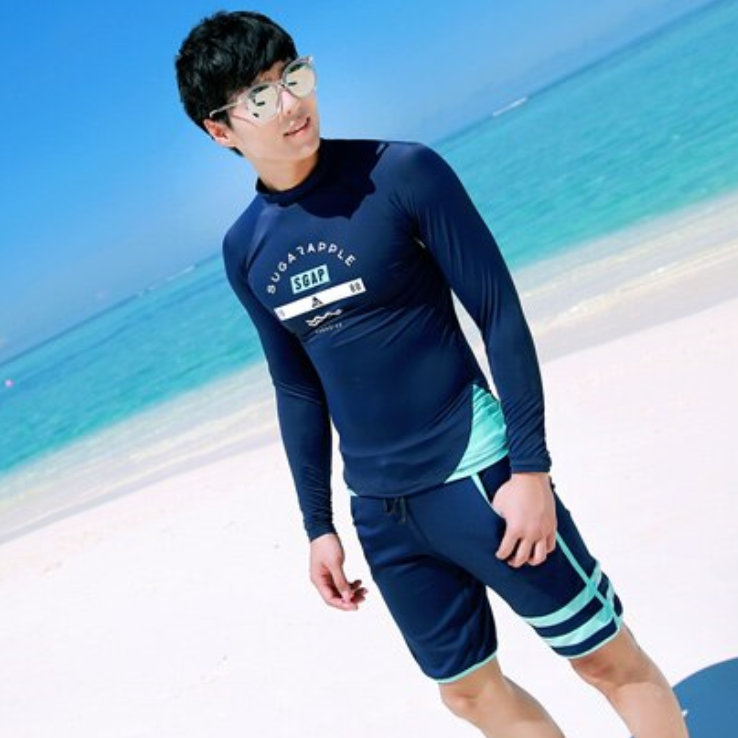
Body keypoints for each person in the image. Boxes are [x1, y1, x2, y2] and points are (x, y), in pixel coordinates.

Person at [175, 11, 690, 737]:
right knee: (469, 694)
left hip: (479, 475)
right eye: (260, 97)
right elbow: (296, 387)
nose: (292, 103)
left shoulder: (401, 172)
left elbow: (498, 313)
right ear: (220, 129)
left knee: (604, 658)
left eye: (294, 76)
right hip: (382, 512)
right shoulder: (246, 248)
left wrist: (531, 470)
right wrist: (319, 526)